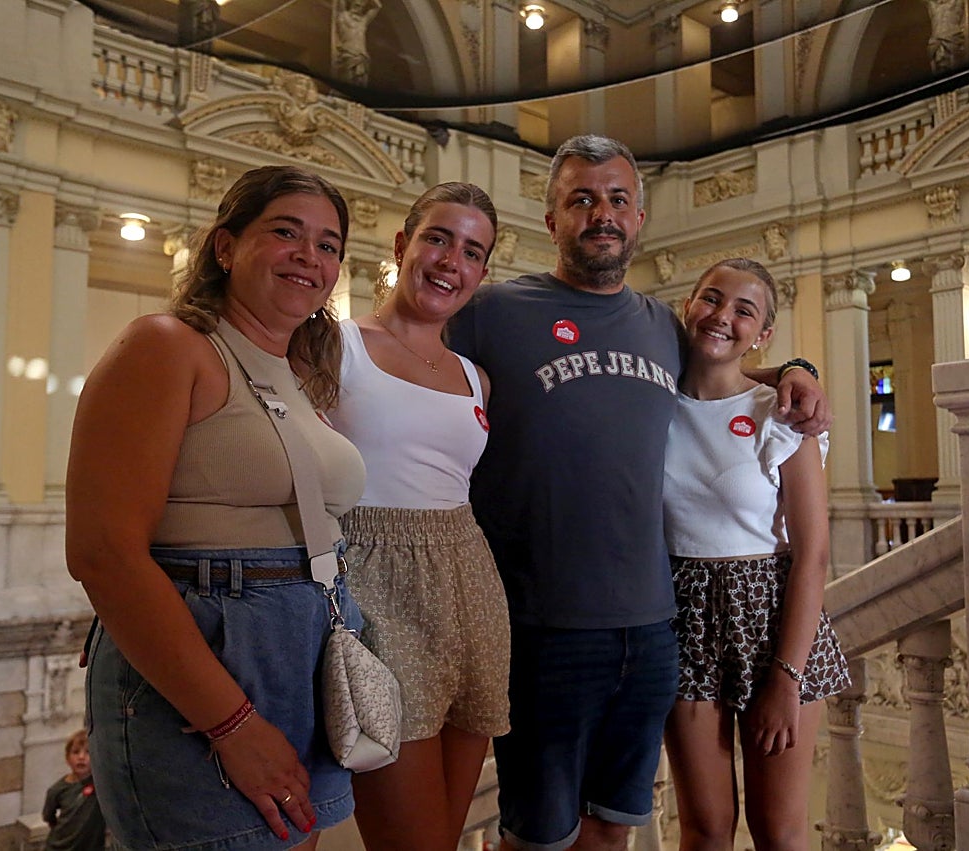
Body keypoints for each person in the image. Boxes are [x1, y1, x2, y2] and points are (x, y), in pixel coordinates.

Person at [448, 135, 830, 851]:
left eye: (618, 198)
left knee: (615, 827)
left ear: (640, 216)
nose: (603, 213)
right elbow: (407, 348)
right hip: (541, 628)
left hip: (657, 631)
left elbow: (729, 366)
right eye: (582, 198)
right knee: (538, 833)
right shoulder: (491, 311)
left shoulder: (660, 325)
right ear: (552, 215)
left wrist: (795, 371)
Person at [66, 165, 366, 850]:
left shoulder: (300, 373)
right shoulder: (168, 346)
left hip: (304, 655)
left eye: (328, 244)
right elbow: (102, 553)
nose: (309, 256)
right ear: (225, 247)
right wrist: (231, 722)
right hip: (213, 659)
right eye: (285, 232)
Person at [325, 182, 508, 851]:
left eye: (471, 250)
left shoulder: (474, 375)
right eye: (437, 238)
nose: (450, 260)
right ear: (403, 245)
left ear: (481, 273)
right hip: (375, 589)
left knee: (446, 833)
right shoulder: (333, 345)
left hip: (469, 588)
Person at [661, 258, 851, 851]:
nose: (722, 316)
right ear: (688, 305)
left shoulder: (785, 414)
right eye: (711, 298)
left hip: (774, 618)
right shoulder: (649, 403)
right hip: (682, 615)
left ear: (763, 333)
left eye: (745, 310)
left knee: (778, 829)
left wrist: (786, 681)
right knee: (705, 824)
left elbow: (813, 554)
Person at [41, 730, 106, 851]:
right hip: (59, 847)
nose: (81, 757)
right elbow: (49, 817)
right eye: (76, 752)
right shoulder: (57, 790)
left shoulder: (101, 784)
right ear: (67, 758)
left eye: (88, 752)